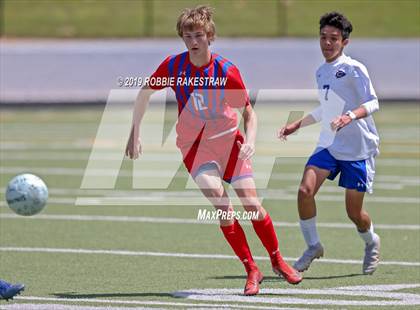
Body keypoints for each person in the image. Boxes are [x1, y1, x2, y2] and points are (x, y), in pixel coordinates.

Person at [126, 5, 301, 296]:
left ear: (210, 37)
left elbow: (248, 112)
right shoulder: (174, 66)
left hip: (229, 143)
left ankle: (277, 261)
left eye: (198, 35)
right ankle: (251, 270)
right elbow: (144, 92)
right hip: (195, 147)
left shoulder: (225, 71)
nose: (192, 41)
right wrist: (135, 132)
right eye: (187, 36)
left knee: (252, 206)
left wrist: (251, 141)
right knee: (223, 206)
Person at [278, 11, 380, 275]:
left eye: (333, 38)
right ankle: (313, 246)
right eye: (323, 37)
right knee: (304, 191)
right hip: (329, 145)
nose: (327, 43)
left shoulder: (354, 69)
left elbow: (372, 103)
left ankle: (371, 241)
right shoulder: (321, 72)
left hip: (357, 149)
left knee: (354, 214)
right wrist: (297, 124)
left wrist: (349, 116)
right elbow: (326, 108)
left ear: (344, 42)